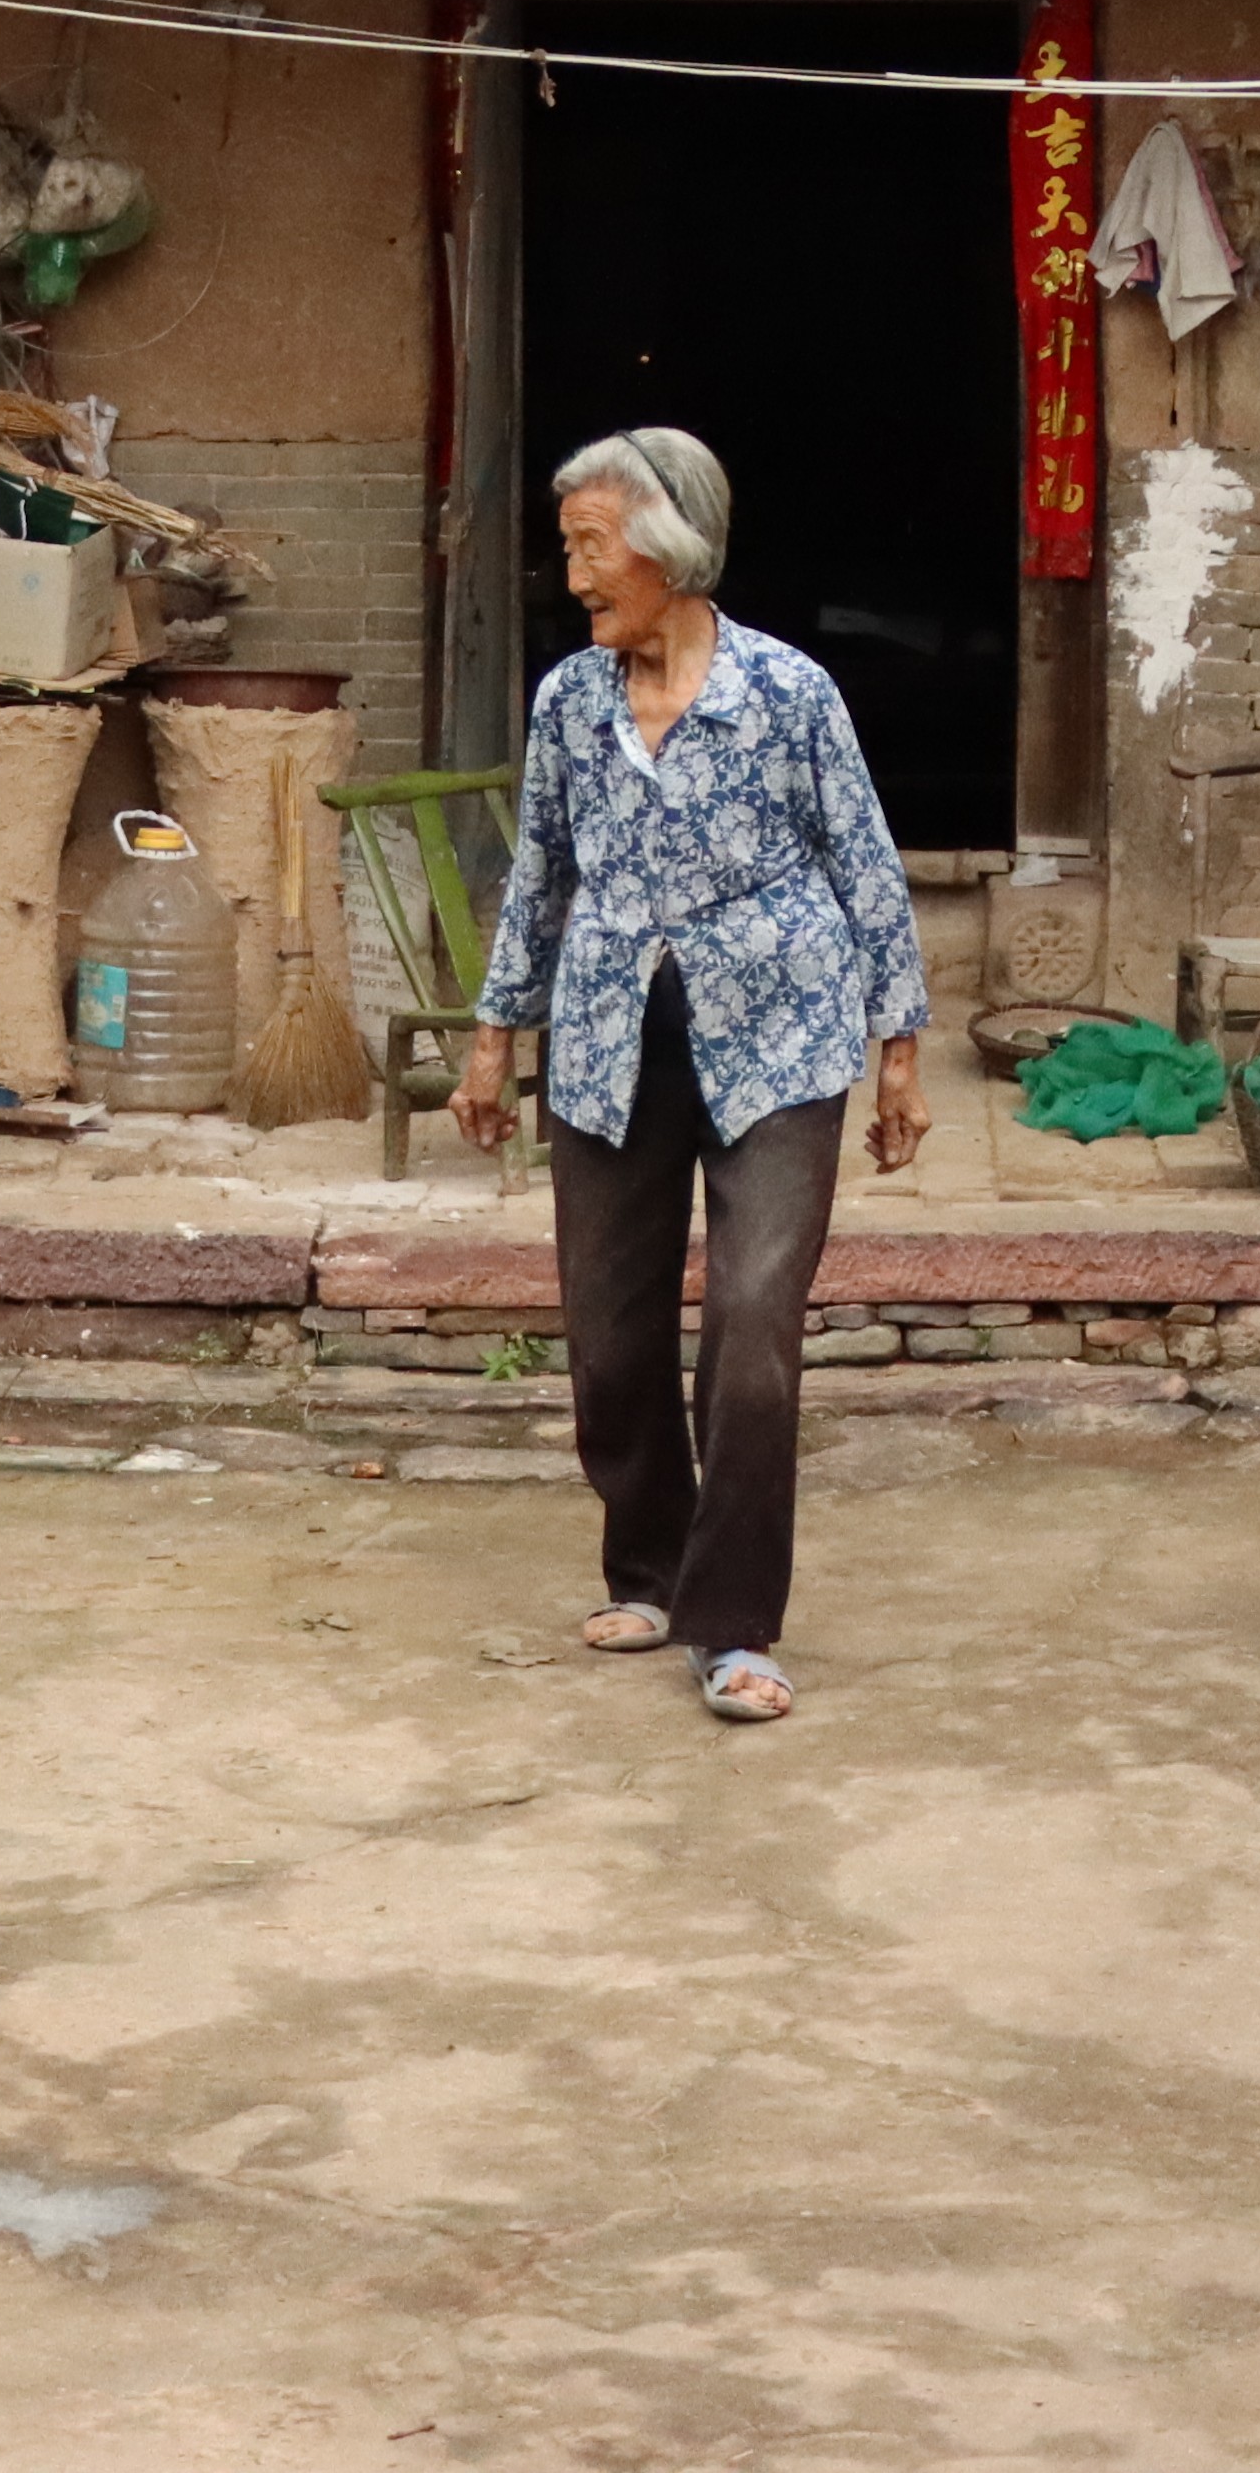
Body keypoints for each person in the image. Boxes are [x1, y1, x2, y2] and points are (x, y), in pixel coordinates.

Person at [451, 424, 926, 1724]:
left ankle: (734, 1623)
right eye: (571, 553)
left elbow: (868, 865)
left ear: (669, 555)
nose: (576, 578)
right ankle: (647, 1562)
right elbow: (538, 874)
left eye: (591, 551)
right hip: (610, 1034)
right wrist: (496, 1035)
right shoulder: (567, 703)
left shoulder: (788, 693)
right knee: (610, 1336)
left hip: (781, 1026)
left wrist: (900, 1050)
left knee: (755, 1331)